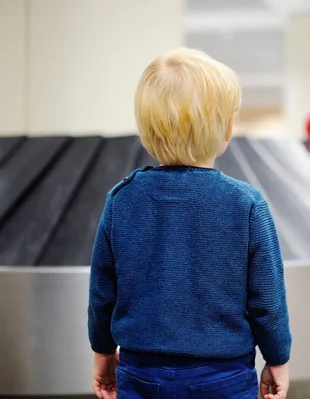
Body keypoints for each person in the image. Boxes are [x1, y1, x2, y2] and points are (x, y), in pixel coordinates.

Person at [88, 48, 292, 399]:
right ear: (227, 126)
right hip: (223, 376)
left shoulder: (122, 200)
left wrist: (103, 351)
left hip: (139, 373)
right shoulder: (246, 204)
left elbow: (102, 293)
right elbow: (267, 303)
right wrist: (277, 359)